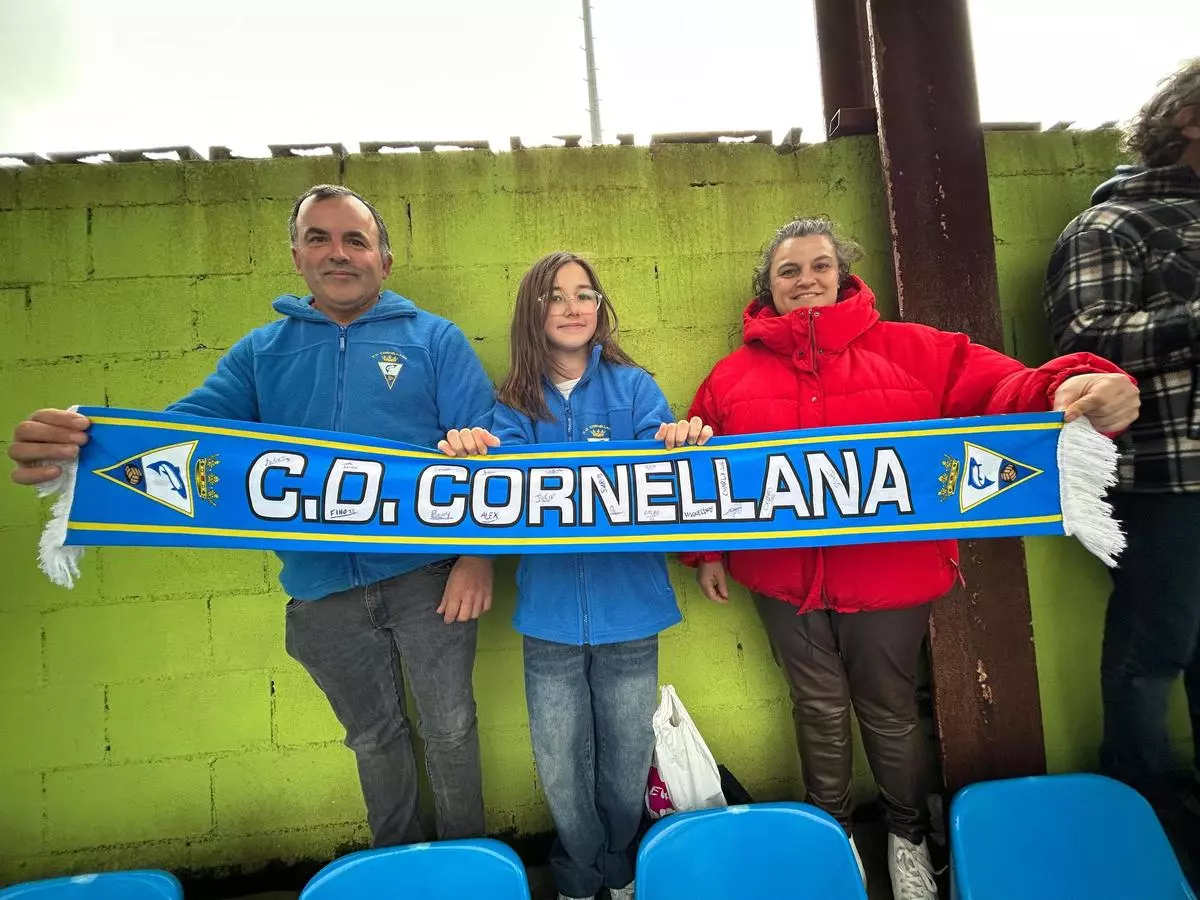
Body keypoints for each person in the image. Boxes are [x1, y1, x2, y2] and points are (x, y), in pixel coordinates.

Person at [8, 184, 497, 848]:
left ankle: (472, 869)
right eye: (319, 238)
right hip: (320, 594)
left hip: (429, 581)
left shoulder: (434, 340)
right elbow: (179, 435)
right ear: (297, 257)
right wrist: (78, 449)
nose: (338, 253)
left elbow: (492, 455)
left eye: (355, 240)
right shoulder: (261, 353)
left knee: (451, 729)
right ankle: (395, 870)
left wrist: (477, 558)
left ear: (383, 261)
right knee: (373, 739)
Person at [682, 216, 1139, 900]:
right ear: (767, 286)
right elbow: (700, 472)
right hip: (780, 580)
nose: (805, 280)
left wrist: (1076, 384)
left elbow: (1011, 390)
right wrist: (707, 551)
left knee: (890, 709)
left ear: (843, 275)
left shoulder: (916, 350)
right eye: (788, 271)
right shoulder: (731, 375)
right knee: (816, 707)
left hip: (890, 580)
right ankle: (832, 840)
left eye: (819, 266)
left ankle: (907, 838)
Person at [438, 251, 711, 900]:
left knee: (624, 764)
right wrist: (471, 455)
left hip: (632, 617)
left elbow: (670, 475)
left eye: (584, 294)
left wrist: (681, 443)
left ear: (600, 308)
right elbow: (495, 497)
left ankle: (620, 869)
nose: (571, 307)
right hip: (550, 621)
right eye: (554, 296)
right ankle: (579, 876)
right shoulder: (510, 407)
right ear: (532, 313)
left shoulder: (635, 389)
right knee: (560, 767)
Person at [1044, 59, 1200, 814]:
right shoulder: (1109, 225)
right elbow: (1086, 344)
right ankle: (1146, 821)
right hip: (1168, 479)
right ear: (1188, 119)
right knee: (1152, 653)